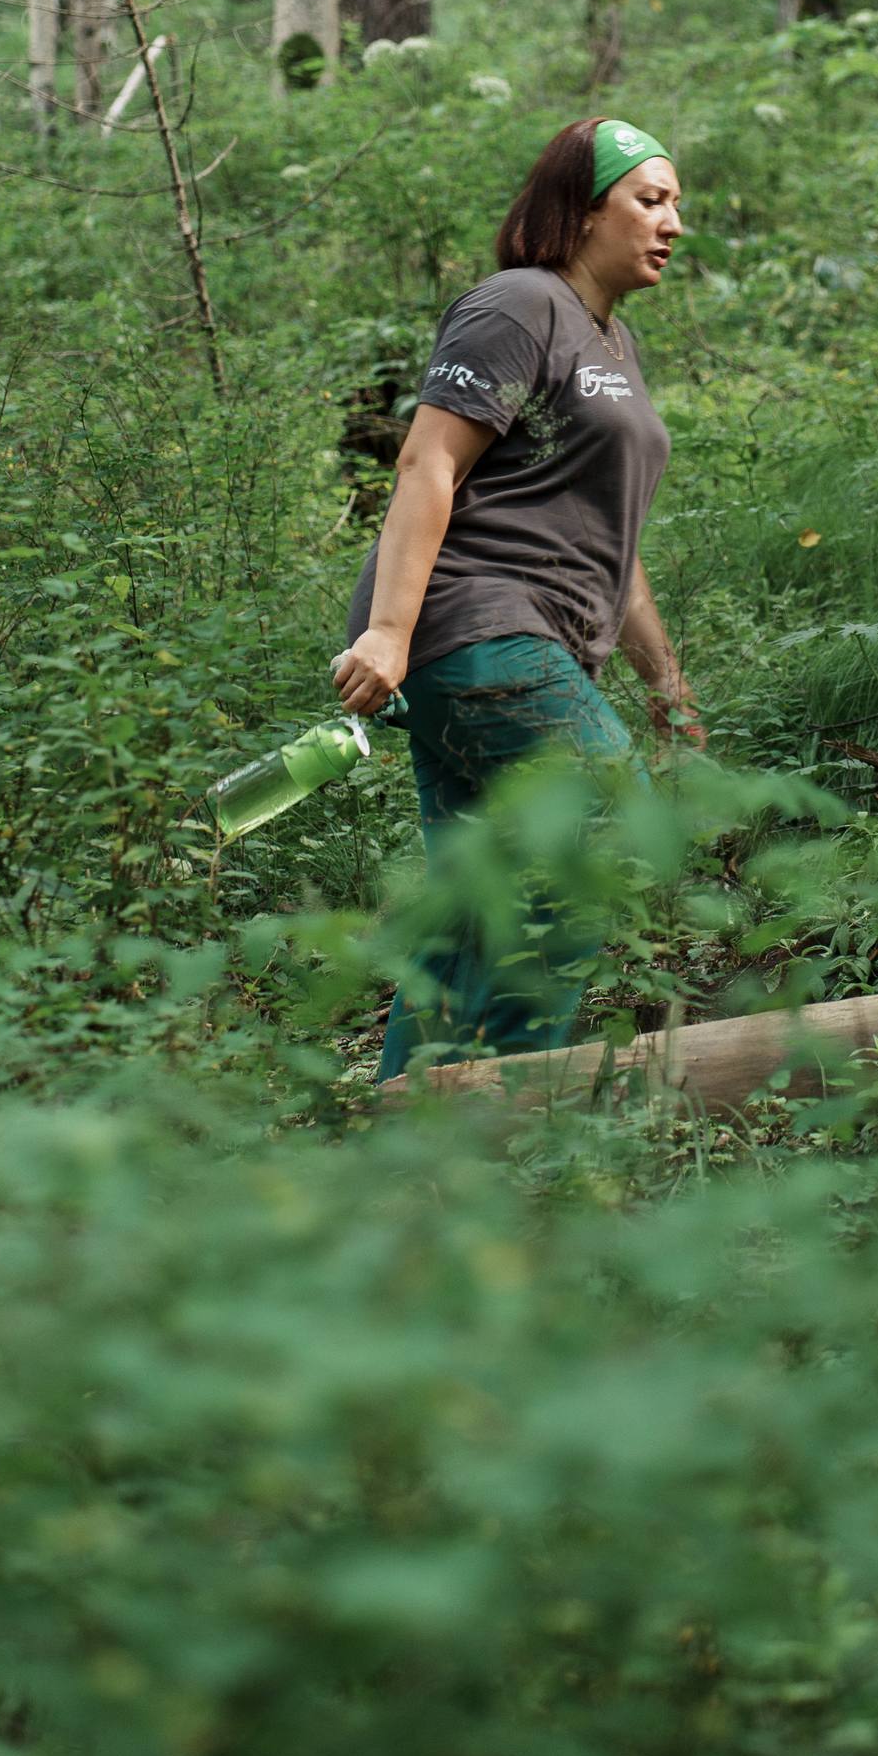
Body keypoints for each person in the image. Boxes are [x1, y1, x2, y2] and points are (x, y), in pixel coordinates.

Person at [332, 116, 701, 1080]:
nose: (673, 222)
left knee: (470, 901)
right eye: (649, 199)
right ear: (582, 211)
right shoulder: (517, 305)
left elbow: (613, 548)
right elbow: (427, 465)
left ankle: (410, 1138)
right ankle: (510, 1106)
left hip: (523, 638)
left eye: (676, 202)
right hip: (472, 625)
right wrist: (385, 632)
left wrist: (663, 679)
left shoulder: (610, 341)